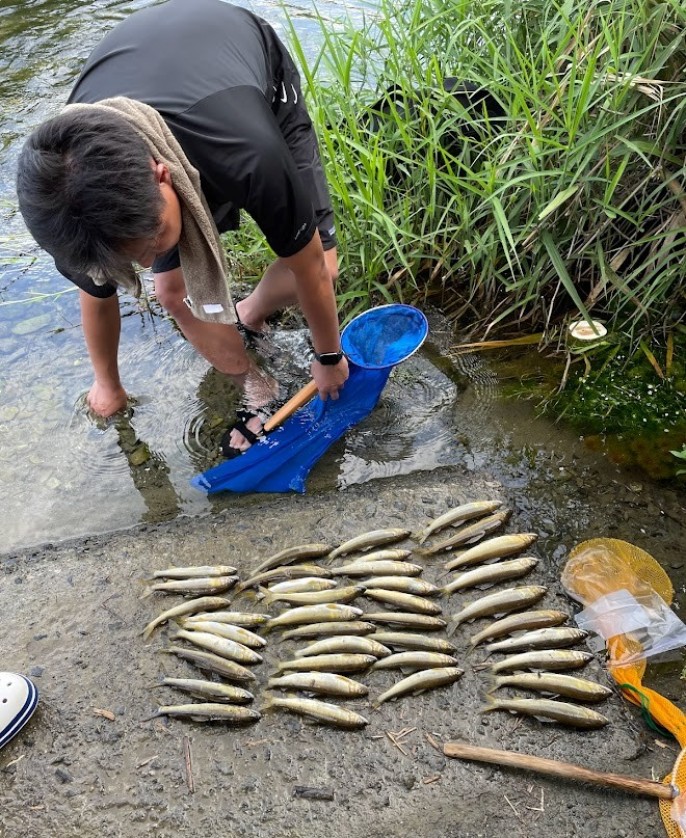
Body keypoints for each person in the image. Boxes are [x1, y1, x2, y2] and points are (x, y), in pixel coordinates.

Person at [16, 0, 349, 458]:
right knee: (172, 291)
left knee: (325, 268)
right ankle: (257, 386)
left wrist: (327, 357)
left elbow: (309, 264)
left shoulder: (248, 152)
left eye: (154, 239)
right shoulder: (66, 205)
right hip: (140, 97)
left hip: (237, 72)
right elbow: (96, 293)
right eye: (136, 258)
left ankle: (249, 311)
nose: (150, 262)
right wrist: (107, 385)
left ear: (161, 175)